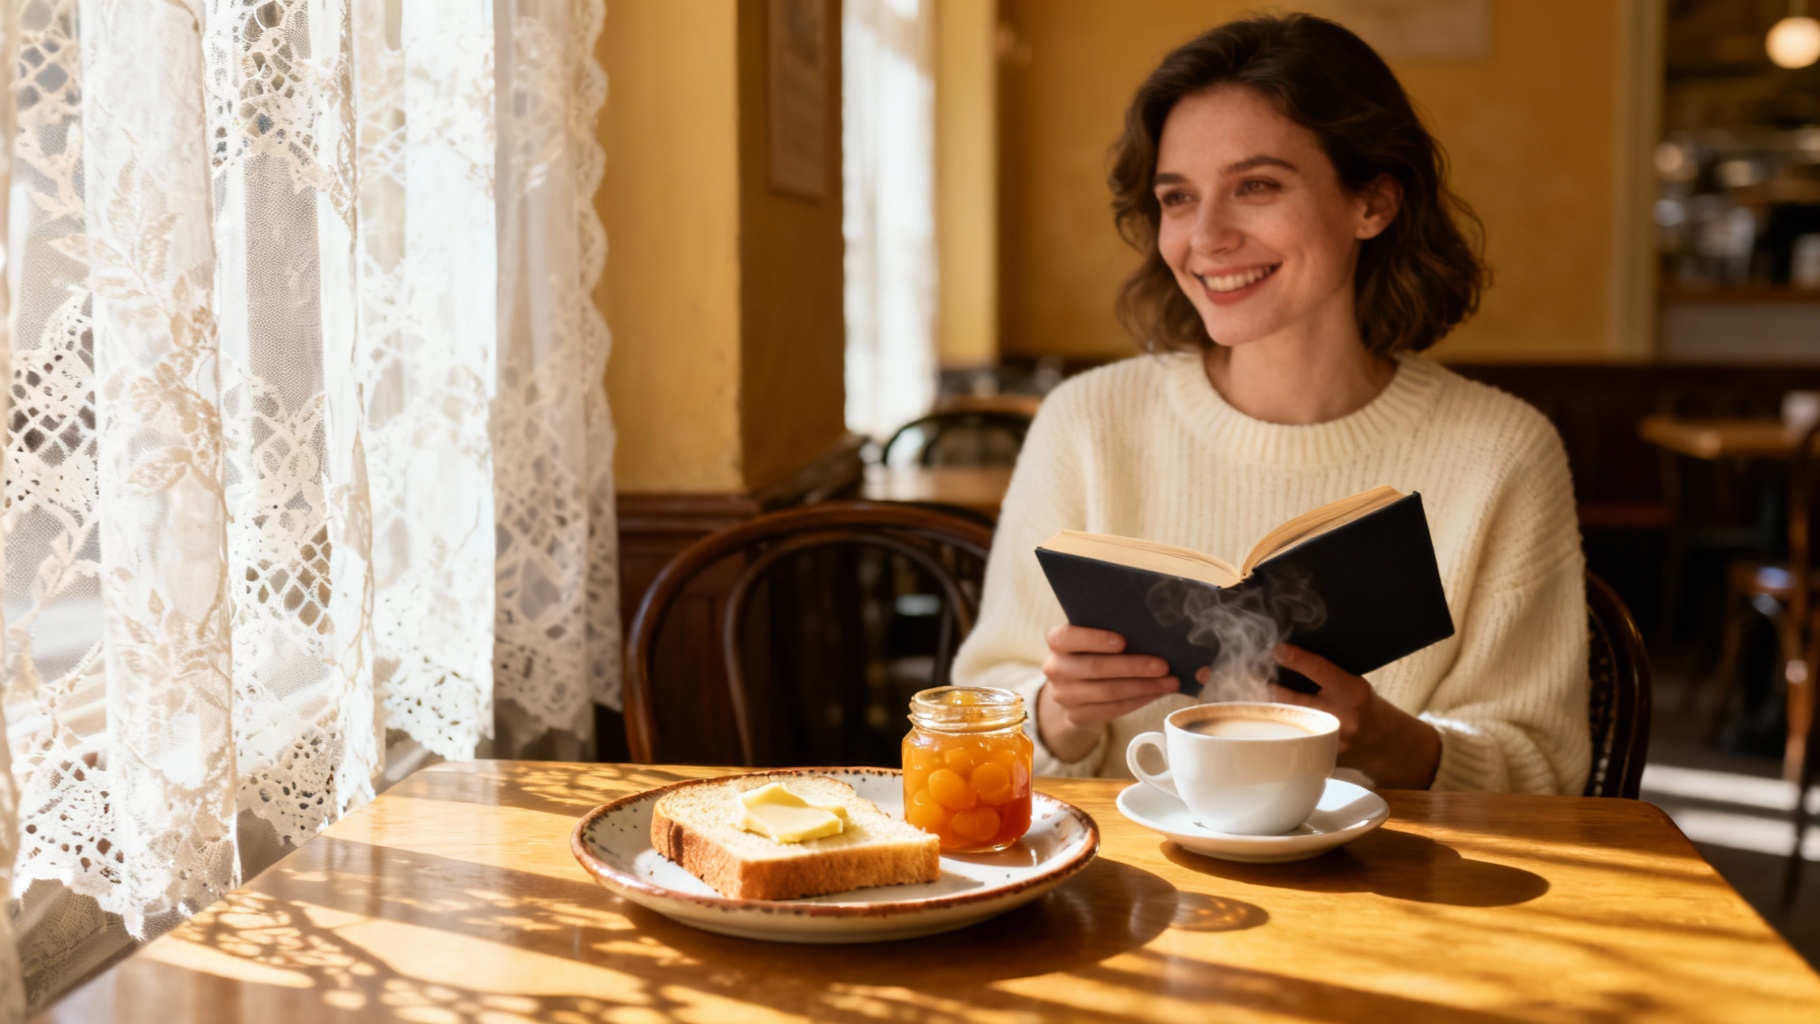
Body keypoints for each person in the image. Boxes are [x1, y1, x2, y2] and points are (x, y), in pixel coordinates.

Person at [950, 14, 1590, 794]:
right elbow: (978, 722)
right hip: (1132, 894)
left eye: (1256, 186)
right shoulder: (1086, 422)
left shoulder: (1503, 450)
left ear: (1373, 203)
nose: (1206, 236)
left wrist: (1397, 745)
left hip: (1394, 897)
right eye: (1178, 198)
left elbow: (1547, 772)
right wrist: (1057, 713)